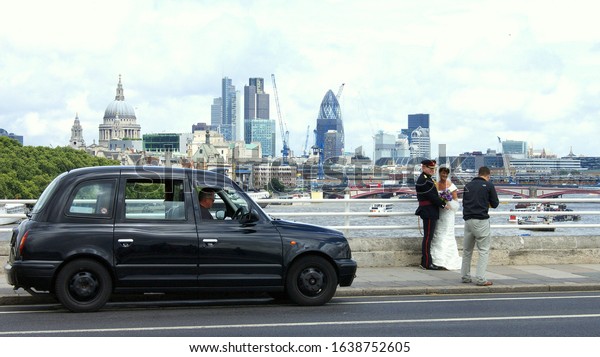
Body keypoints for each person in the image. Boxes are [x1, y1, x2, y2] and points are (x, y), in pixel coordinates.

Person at [461, 166, 500, 286]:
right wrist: (485, 203)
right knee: (483, 250)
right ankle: (481, 278)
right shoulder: (489, 185)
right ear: (488, 176)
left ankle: (465, 276)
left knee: (467, 250)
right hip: (481, 220)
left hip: (468, 221)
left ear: (478, 174)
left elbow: (464, 203)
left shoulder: (467, 186)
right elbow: (495, 203)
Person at [414, 159, 447, 270]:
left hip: (429, 210)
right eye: (430, 168)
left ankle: (426, 261)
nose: (433, 170)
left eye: (434, 169)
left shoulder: (427, 179)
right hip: (428, 211)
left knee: (429, 237)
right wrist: (443, 204)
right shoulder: (424, 180)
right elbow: (432, 197)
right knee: (428, 238)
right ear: (423, 167)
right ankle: (426, 263)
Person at [430, 166, 462, 270]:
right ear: (439, 173)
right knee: (438, 233)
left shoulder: (451, 186)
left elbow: (456, 202)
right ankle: (437, 260)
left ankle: (448, 259)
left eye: (446, 174)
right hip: (439, 212)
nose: (444, 175)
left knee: (447, 234)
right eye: (443, 173)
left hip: (448, 214)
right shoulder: (436, 185)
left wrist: (448, 201)